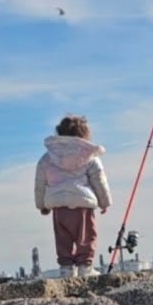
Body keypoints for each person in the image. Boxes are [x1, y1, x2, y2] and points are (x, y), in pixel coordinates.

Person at [34, 115, 112, 277]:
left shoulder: (48, 158)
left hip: (59, 208)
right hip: (82, 205)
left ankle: (66, 268)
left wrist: (41, 205)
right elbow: (99, 180)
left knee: (63, 238)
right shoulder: (89, 156)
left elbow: (40, 183)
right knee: (86, 237)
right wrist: (104, 202)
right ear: (84, 135)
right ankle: (85, 267)